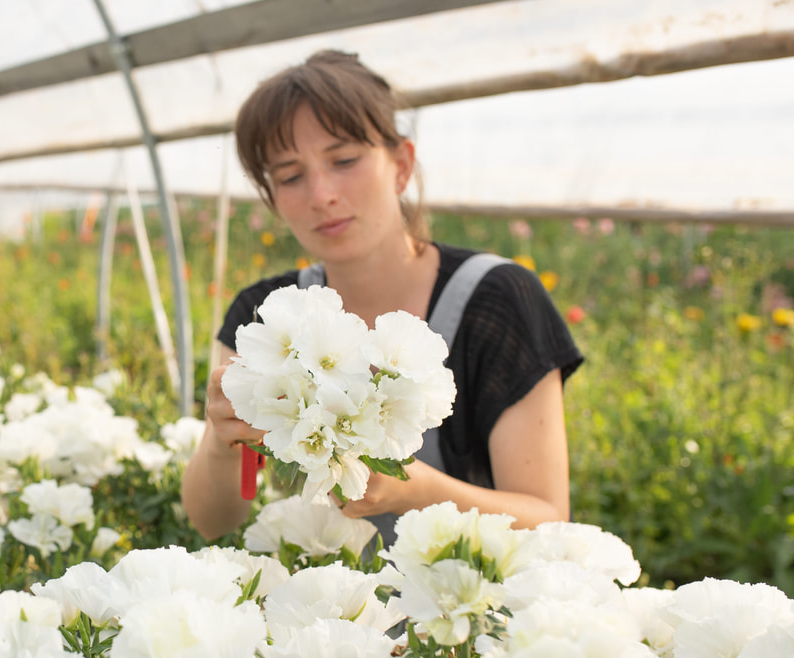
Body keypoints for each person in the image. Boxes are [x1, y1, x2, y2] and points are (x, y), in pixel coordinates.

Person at [181, 49, 583, 545]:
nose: (321, 194)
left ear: (401, 165)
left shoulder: (497, 301)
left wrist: (414, 489)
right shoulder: (265, 316)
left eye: (344, 160)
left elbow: (548, 519)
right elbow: (212, 522)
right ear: (271, 195)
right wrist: (223, 444)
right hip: (316, 614)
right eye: (289, 175)